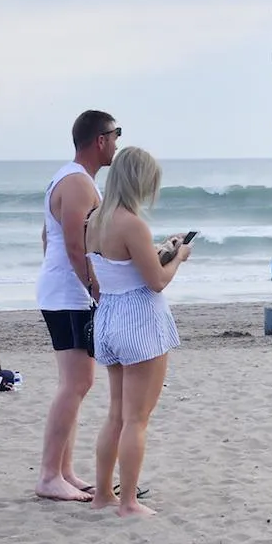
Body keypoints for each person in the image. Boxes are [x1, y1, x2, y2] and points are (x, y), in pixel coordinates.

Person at [84, 146, 189, 518]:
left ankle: (102, 494)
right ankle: (128, 501)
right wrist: (178, 257)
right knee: (136, 418)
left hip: (109, 315)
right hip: (138, 319)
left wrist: (161, 251)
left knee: (116, 414)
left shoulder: (94, 219)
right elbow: (157, 281)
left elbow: (114, 269)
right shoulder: (132, 222)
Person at [35, 109, 119, 502]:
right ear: (100, 140)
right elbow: (73, 244)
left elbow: (46, 238)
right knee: (77, 383)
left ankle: (64, 470)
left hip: (63, 290)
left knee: (75, 384)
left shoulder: (70, 178)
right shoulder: (78, 182)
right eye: (115, 135)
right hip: (69, 293)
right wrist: (95, 290)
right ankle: (50, 474)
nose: (117, 143)